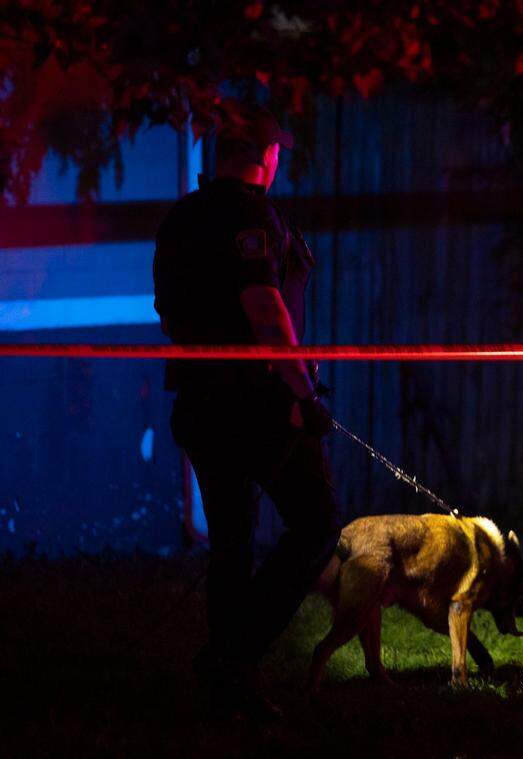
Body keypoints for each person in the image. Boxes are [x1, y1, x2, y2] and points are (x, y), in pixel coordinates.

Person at [153, 101, 340, 720]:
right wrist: (303, 394)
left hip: (199, 401)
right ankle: (233, 658)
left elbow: (168, 307)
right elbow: (264, 309)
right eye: (277, 150)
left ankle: (228, 678)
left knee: (231, 541)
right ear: (266, 156)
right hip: (255, 404)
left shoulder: (182, 216)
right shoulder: (249, 214)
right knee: (316, 524)